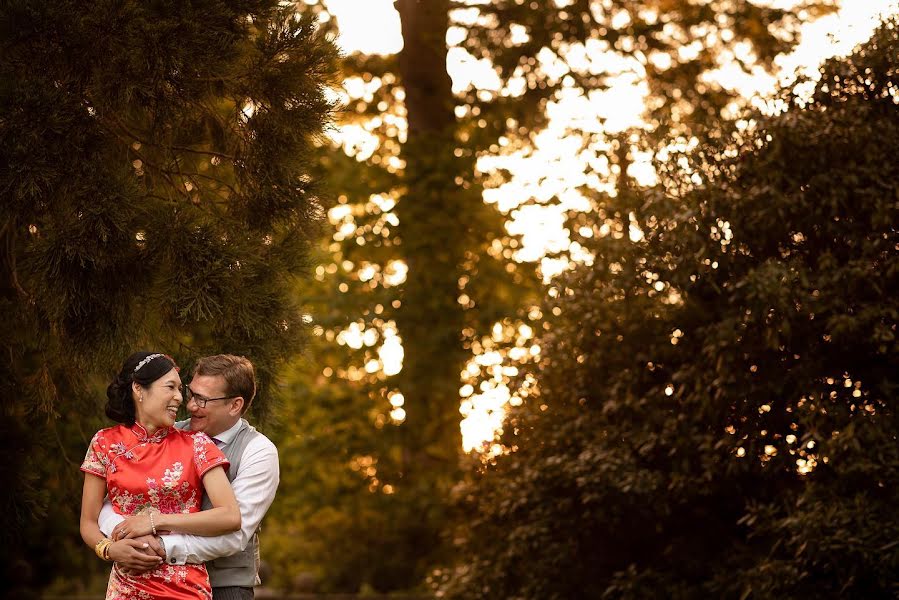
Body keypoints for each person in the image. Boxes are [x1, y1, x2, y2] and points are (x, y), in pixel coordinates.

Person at [98, 354, 280, 600]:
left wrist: (159, 542)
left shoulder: (258, 451)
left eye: (202, 399)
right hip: (155, 579)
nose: (191, 405)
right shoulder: (171, 434)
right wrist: (122, 537)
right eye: (192, 393)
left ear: (235, 405)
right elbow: (119, 496)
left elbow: (234, 536)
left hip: (226, 587)